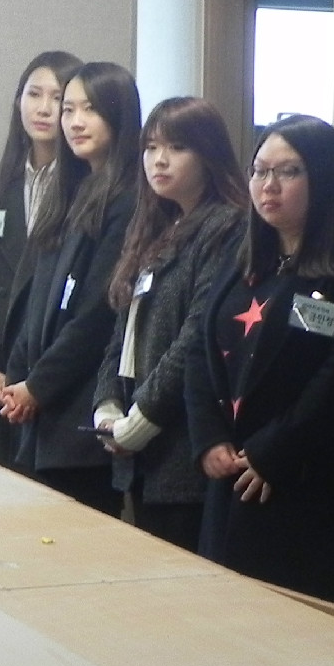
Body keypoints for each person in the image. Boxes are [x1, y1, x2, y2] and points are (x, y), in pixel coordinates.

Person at [188, 115, 334, 606]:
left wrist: (274, 450)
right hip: (232, 473)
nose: (269, 185)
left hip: (308, 479)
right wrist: (208, 437)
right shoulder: (242, 257)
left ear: (323, 178)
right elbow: (199, 347)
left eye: (288, 172)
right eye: (260, 171)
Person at [92, 96, 247, 550]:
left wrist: (142, 419)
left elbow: (194, 337)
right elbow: (121, 332)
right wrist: (106, 405)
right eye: (151, 147)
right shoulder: (159, 225)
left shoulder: (227, 226)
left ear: (208, 155)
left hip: (181, 448)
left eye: (177, 148)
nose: (158, 160)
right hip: (138, 450)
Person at [1, 60, 139, 512]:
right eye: (69, 109)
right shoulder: (72, 189)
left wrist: (37, 387)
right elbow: (37, 299)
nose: (75, 121)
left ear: (118, 114)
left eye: (90, 109)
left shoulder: (128, 198)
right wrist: (20, 381)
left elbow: (97, 315)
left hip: (82, 410)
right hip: (41, 411)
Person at [0, 50, 80, 466]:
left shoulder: (86, 189)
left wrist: (37, 383)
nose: (43, 109)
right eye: (34, 94)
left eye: (58, 98)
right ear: (18, 101)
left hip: (56, 384)